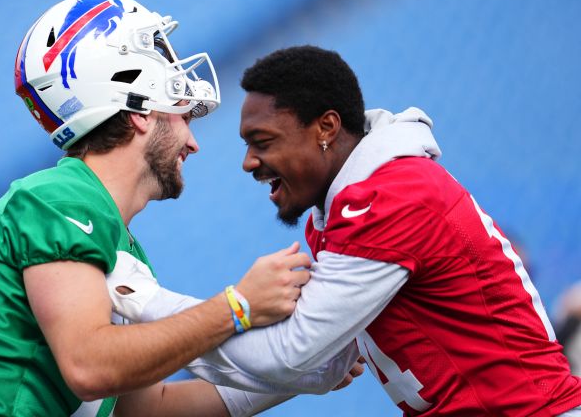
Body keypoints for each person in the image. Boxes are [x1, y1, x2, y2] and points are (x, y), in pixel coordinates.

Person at [0, 0, 360, 417]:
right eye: (182, 113)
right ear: (140, 110)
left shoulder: (116, 240)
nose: (193, 142)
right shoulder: (57, 199)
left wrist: (297, 372)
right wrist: (238, 306)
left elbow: (150, 408)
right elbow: (89, 365)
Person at [108, 45, 581, 416]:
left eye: (263, 141)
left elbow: (293, 354)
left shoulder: (388, 199)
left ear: (326, 129)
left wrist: (143, 301)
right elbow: (319, 361)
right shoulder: (343, 207)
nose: (249, 162)